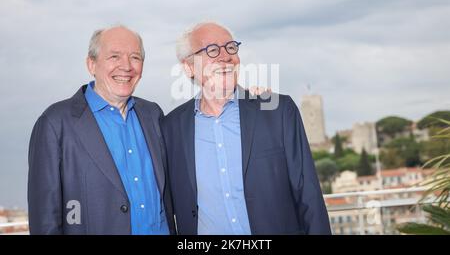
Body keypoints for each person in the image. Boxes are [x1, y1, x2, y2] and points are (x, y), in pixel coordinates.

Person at [161, 22, 331, 235]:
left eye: (231, 47)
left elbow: (309, 196)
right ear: (189, 67)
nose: (226, 56)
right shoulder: (170, 128)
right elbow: (165, 208)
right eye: (212, 50)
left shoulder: (277, 111)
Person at [28, 25, 175, 235]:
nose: (126, 66)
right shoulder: (55, 123)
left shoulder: (153, 115)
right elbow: (45, 221)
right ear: (91, 64)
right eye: (114, 56)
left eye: (135, 57)